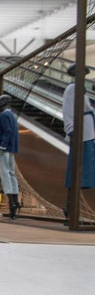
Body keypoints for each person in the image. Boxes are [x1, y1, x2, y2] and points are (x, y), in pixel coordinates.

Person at [62, 63, 95, 219]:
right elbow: (67, 110)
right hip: (81, 134)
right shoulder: (72, 89)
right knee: (76, 170)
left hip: (87, 133)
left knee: (83, 170)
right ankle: (69, 207)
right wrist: (71, 130)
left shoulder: (80, 90)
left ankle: (71, 207)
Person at [0, 94, 20, 219]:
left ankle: (11, 202)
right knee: (11, 173)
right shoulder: (13, 115)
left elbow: (7, 130)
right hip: (12, 148)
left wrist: (2, 145)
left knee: (5, 174)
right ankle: (15, 201)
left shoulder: (3, 115)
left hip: (4, 149)